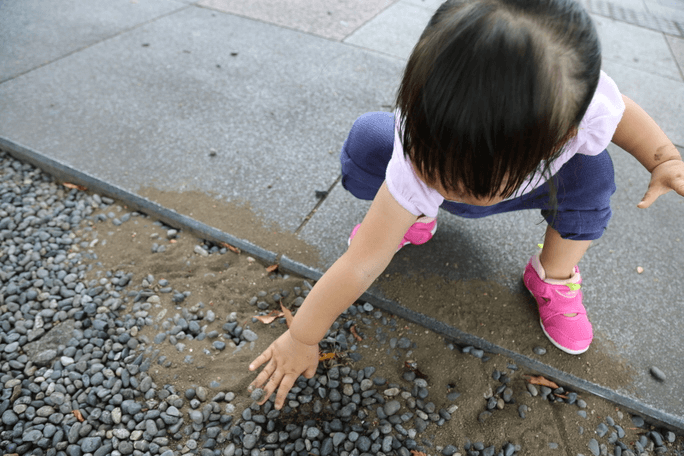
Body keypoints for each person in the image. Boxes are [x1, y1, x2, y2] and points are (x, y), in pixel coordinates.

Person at [249, 0, 684, 410]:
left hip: (539, 184)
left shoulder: (582, 109)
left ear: (564, 134)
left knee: (595, 174)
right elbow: (361, 263)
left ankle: (552, 276)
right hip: (419, 185)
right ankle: (412, 215)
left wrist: (664, 158)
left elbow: (624, 115)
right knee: (369, 138)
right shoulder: (415, 153)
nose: (449, 185)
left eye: (467, 182)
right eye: (437, 165)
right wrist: (302, 337)